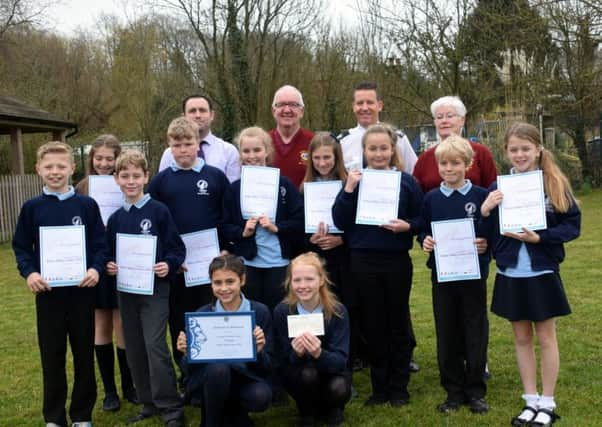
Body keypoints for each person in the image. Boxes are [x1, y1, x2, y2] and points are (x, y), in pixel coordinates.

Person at [481, 122, 580, 427]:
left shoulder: (554, 184)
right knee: (521, 338)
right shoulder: (497, 188)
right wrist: (486, 210)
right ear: (506, 152)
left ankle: (547, 403)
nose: (520, 154)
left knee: (546, 337)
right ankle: (530, 400)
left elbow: (572, 225)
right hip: (510, 271)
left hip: (542, 269)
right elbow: (486, 236)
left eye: (526, 148)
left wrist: (542, 238)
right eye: (514, 149)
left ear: (538, 149)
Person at [13, 141, 106, 427]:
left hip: (81, 293)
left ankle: (81, 415)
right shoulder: (31, 208)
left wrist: (96, 269)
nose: (55, 172)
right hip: (48, 294)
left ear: (72, 168)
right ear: (38, 169)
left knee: (82, 354)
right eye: (49, 166)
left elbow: (101, 245)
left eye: (61, 166)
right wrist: (30, 273)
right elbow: (21, 248)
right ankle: (54, 417)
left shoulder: (87, 205)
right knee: (51, 356)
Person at [332, 124, 423, 407]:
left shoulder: (407, 182)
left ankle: (399, 387)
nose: (379, 153)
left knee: (397, 323)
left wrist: (407, 226)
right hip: (362, 261)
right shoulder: (355, 181)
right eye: (373, 148)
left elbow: (422, 219)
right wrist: (348, 190)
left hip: (396, 260)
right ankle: (379, 387)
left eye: (384, 148)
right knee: (373, 325)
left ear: (392, 150)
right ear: (364, 151)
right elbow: (339, 220)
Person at [105, 150, 186, 427]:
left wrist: (168, 265)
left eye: (136, 176)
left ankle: (171, 407)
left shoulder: (159, 211)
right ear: (116, 179)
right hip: (126, 291)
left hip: (155, 290)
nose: (130, 181)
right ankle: (147, 401)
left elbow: (177, 249)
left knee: (154, 345)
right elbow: (107, 254)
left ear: (146, 177)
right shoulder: (115, 219)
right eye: (124, 176)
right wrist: (109, 265)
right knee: (135, 346)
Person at [148, 117, 230, 383]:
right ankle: (187, 374)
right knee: (180, 321)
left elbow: (226, 217)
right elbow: (155, 225)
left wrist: (226, 250)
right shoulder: (160, 182)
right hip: (178, 268)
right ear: (169, 146)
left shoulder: (215, 177)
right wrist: (168, 259)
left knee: (210, 314)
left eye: (188, 143)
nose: (183, 149)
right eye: (177, 144)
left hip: (211, 267)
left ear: (198, 144)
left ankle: (214, 370)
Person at [419, 136, 490, 414]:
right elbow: (423, 230)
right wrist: (424, 240)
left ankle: (475, 390)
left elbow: (489, 232)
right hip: (443, 276)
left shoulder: (480, 196)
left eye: (455, 163)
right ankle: (453, 390)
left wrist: (485, 244)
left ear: (468, 164)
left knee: (475, 330)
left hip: (473, 276)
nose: (449, 168)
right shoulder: (432, 198)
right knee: (447, 331)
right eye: (444, 163)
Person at [74, 134, 137, 412]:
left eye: (109, 159)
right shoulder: (81, 188)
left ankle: (129, 386)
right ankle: (109, 392)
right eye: (98, 158)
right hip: (95, 265)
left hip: (124, 261)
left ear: (117, 159)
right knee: (101, 326)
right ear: (91, 160)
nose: (103, 163)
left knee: (122, 324)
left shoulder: (127, 183)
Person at [176, 255, 273, 427]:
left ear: (242, 280)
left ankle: (237, 415)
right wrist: (187, 353)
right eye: (217, 283)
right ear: (211, 283)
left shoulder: (260, 312)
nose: (224, 288)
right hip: (210, 379)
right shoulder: (202, 315)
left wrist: (259, 351)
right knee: (219, 369)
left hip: (245, 377)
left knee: (260, 396)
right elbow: (189, 370)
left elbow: (267, 368)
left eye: (230, 281)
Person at [222, 126, 304, 312]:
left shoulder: (284, 184)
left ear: (267, 151)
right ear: (240, 154)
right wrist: (243, 231)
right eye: (246, 151)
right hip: (248, 263)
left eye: (257, 150)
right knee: (254, 314)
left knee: (279, 313)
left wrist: (277, 228)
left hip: (278, 263)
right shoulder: (234, 189)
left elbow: (299, 220)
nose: (252, 155)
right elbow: (225, 224)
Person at [273, 252, 351, 427]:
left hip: (332, 373)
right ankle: (307, 412)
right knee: (308, 374)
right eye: (297, 280)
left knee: (339, 387)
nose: (303, 286)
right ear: (290, 282)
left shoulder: (338, 311)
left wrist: (319, 353)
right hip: (300, 376)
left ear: (321, 280)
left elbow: (340, 362)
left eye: (309, 279)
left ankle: (333, 409)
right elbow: (282, 361)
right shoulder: (283, 311)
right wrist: (296, 354)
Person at [413, 95, 497, 193]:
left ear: (462, 120)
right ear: (435, 122)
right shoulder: (424, 159)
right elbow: (416, 195)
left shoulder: (480, 153)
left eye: (449, 116)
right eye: (439, 117)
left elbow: (493, 190)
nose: (444, 121)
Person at [338, 81, 417, 174]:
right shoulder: (342, 142)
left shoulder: (398, 138)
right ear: (353, 107)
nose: (364, 108)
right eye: (359, 103)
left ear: (379, 106)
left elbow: (414, 172)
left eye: (370, 102)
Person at [159, 94, 241, 183]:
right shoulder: (169, 154)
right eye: (192, 111)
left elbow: (232, 190)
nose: (198, 115)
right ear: (183, 116)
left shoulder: (229, 152)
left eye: (202, 110)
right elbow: (163, 187)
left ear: (212, 115)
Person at [269, 85, 314, 187]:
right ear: (273, 111)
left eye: (293, 104)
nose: (287, 110)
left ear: (301, 111)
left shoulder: (314, 142)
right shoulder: (261, 143)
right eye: (281, 105)